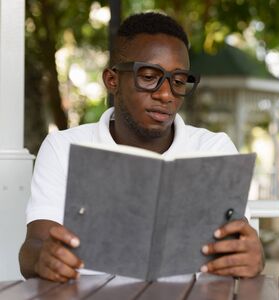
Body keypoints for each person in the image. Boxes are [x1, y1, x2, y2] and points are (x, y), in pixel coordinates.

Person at [19, 12, 264, 282]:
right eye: (148, 77)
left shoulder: (213, 149)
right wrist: (44, 258)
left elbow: (241, 245)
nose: (166, 94)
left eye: (179, 81)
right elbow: (34, 246)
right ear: (112, 81)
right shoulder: (63, 148)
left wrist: (254, 257)